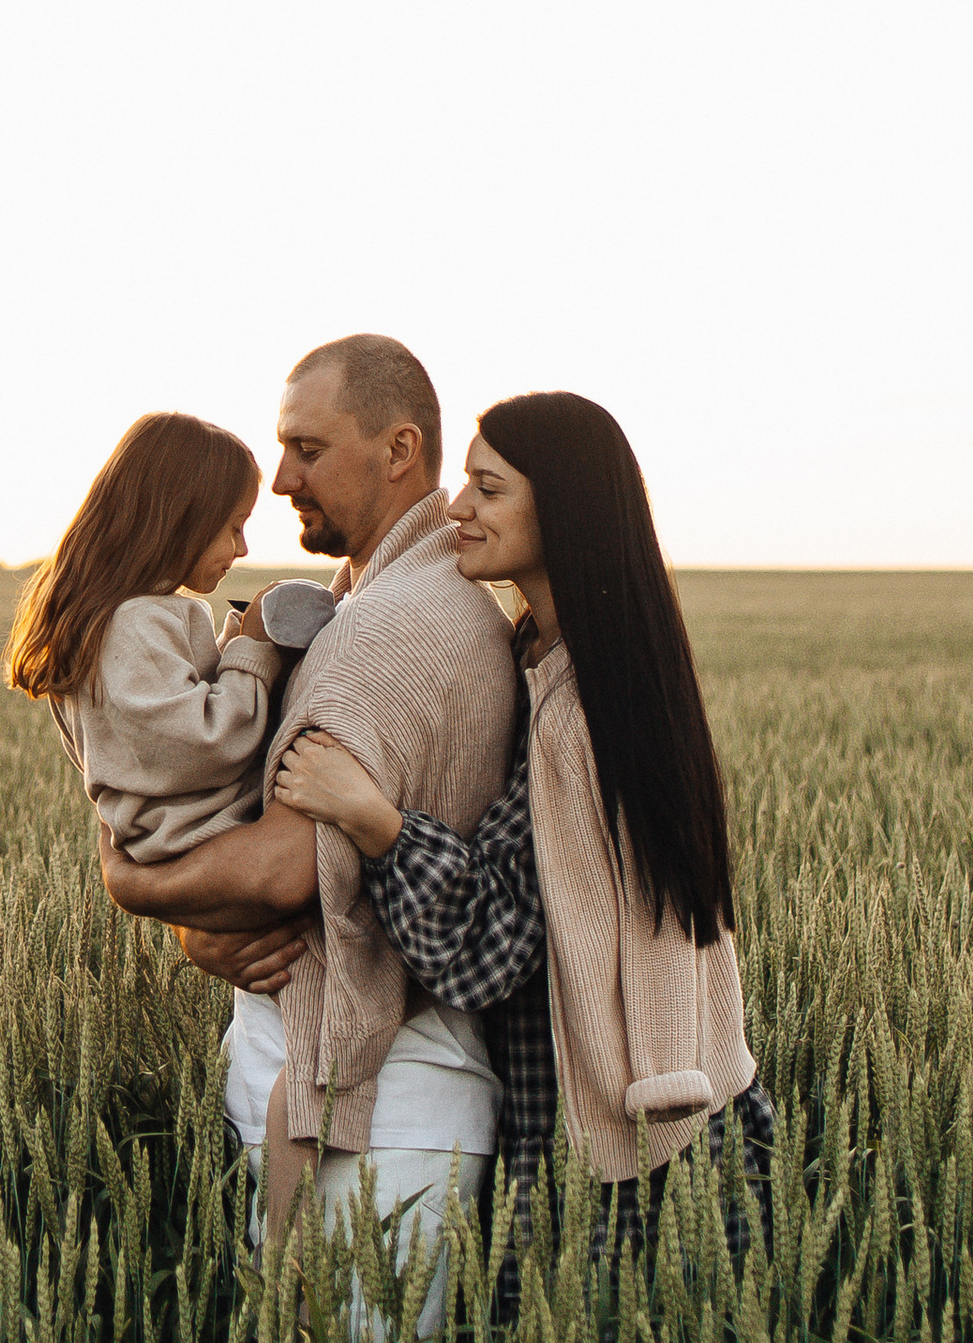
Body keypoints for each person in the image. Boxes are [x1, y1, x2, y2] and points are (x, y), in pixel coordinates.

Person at [274, 391, 772, 1266]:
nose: (457, 507)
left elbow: (498, 947)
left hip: (623, 1153)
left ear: (565, 508)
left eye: (488, 488)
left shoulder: (581, 712)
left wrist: (373, 817)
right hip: (654, 1113)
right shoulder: (567, 657)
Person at [96, 335, 517, 1343]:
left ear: (398, 449)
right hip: (335, 1094)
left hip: (381, 1122)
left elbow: (288, 868)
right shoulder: (366, 602)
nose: (280, 478)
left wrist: (135, 885)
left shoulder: (390, 628)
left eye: (306, 448)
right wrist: (208, 931)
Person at [7, 414, 287, 859]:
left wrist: (235, 638)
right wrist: (252, 649)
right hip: (208, 837)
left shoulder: (112, 621)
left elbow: (162, 726)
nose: (243, 548)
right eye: (234, 526)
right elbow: (208, 744)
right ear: (182, 521)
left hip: (179, 839)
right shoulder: (132, 626)